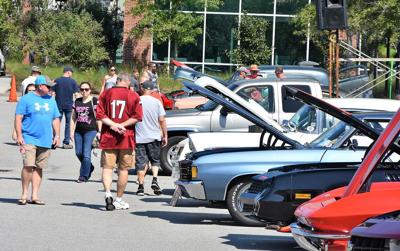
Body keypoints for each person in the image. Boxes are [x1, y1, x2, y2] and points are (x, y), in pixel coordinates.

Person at [96, 72, 143, 211]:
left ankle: (107, 193)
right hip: (126, 137)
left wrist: (113, 125)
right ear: (128, 82)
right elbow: (137, 116)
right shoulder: (134, 95)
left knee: (107, 168)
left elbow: (100, 114)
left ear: (117, 80)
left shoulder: (105, 94)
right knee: (123, 169)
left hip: (108, 136)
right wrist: (122, 125)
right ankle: (119, 199)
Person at [14, 75, 60, 205]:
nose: (51, 88)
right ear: (40, 86)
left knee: (39, 167)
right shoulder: (26, 99)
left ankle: (34, 195)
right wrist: (19, 135)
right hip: (29, 137)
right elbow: (18, 118)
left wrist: (57, 135)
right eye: (48, 86)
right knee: (28, 165)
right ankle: (24, 194)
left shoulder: (51, 100)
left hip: (45, 139)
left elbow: (55, 118)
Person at [135, 81, 168, 196]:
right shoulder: (157, 102)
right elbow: (162, 120)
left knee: (141, 162)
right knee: (155, 161)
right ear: (153, 90)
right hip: (154, 136)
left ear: (142, 88)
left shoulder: (137, 101)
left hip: (140, 137)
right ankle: (154, 179)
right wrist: (165, 135)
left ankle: (140, 187)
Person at [70, 82, 100, 183]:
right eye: (82, 89)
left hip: (91, 130)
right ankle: (89, 167)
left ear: (90, 90)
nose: (84, 91)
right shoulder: (77, 101)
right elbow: (73, 117)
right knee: (79, 153)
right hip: (78, 131)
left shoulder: (94, 101)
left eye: (86, 89)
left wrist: (99, 131)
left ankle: (83, 176)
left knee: (86, 154)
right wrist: (71, 131)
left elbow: (99, 117)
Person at [52, 66, 79, 149]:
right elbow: (76, 95)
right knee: (68, 124)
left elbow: (52, 93)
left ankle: (54, 141)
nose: (71, 74)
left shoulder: (57, 80)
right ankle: (66, 142)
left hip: (58, 105)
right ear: (68, 72)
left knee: (56, 123)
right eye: (71, 72)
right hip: (69, 106)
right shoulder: (73, 82)